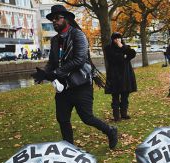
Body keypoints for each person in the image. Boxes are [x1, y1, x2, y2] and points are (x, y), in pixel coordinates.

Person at [32, 5, 118, 149]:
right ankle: (70, 149)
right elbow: (52, 62)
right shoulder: (54, 41)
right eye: (52, 19)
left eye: (57, 18)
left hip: (81, 85)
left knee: (87, 118)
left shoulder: (78, 35)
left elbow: (79, 60)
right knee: (62, 119)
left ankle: (110, 131)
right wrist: (45, 73)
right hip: (63, 87)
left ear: (66, 19)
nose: (54, 22)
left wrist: (55, 73)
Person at [105, 32, 137, 121]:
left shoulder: (125, 47)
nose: (117, 40)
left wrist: (122, 48)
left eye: (119, 38)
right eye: (115, 39)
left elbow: (132, 54)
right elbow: (113, 59)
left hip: (125, 75)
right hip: (114, 76)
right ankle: (116, 116)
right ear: (113, 40)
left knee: (125, 95)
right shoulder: (108, 48)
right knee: (115, 97)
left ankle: (124, 113)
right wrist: (124, 55)